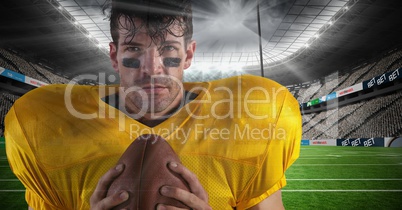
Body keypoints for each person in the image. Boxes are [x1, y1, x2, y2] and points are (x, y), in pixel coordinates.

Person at [5, 0, 302, 209]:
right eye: (134, 49)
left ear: (188, 55)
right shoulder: (43, 123)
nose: (152, 68)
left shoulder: (257, 114)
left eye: (168, 50)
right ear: (114, 55)